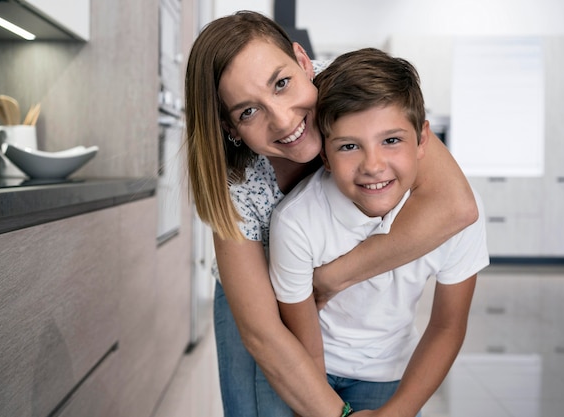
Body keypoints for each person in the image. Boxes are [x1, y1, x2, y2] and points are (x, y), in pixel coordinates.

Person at [185, 11, 479, 417]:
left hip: (334, 306)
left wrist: (331, 278)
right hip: (260, 293)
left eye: (283, 83)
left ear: (304, 62)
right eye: (248, 112)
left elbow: (457, 207)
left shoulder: (349, 91)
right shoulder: (235, 180)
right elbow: (262, 333)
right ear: (230, 127)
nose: (284, 119)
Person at [268, 48, 489, 416]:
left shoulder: (463, 214)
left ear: (422, 141)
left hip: (388, 371)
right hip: (309, 366)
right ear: (325, 155)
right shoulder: (296, 221)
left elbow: (447, 326)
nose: (373, 166)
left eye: (391, 141)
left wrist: (397, 412)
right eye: (349, 146)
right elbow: (306, 348)